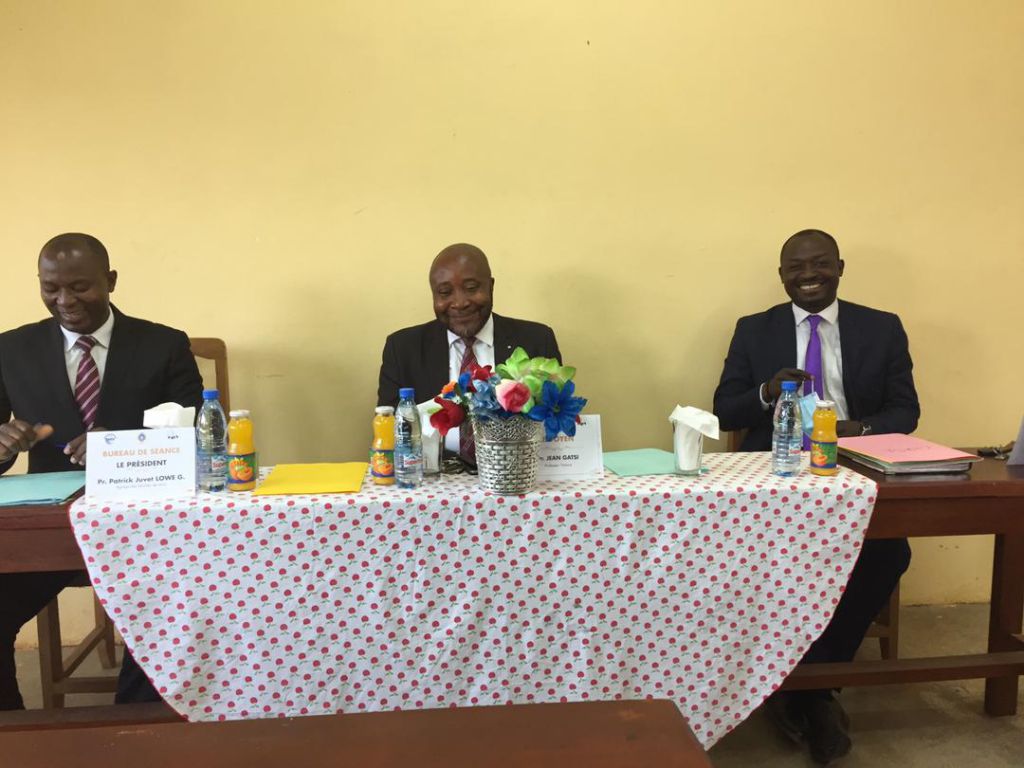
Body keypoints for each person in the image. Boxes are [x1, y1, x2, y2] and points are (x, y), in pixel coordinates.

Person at [713, 229, 918, 764]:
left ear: (840, 267)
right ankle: (811, 692)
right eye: (796, 267)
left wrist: (854, 428)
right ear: (782, 276)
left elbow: (906, 412)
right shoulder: (754, 329)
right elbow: (724, 410)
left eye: (821, 263)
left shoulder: (881, 327)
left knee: (888, 551)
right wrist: (766, 393)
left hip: (853, 468)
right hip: (773, 477)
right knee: (744, 553)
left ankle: (808, 687)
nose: (809, 274)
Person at [0, 232, 204, 709]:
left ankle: (132, 727)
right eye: (51, 288)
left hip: (149, 529)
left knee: (173, 614)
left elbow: (198, 438)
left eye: (80, 287)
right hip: (52, 530)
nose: (65, 301)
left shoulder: (163, 344)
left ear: (110, 281)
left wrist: (120, 446)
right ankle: (14, 732)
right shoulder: (11, 349)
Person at [377, 243, 561, 462]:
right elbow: (389, 432)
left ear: (491, 287)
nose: (460, 303)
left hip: (517, 470)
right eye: (445, 292)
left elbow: (556, 425)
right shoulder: (403, 348)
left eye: (472, 288)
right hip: (430, 474)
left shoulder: (536, 341)